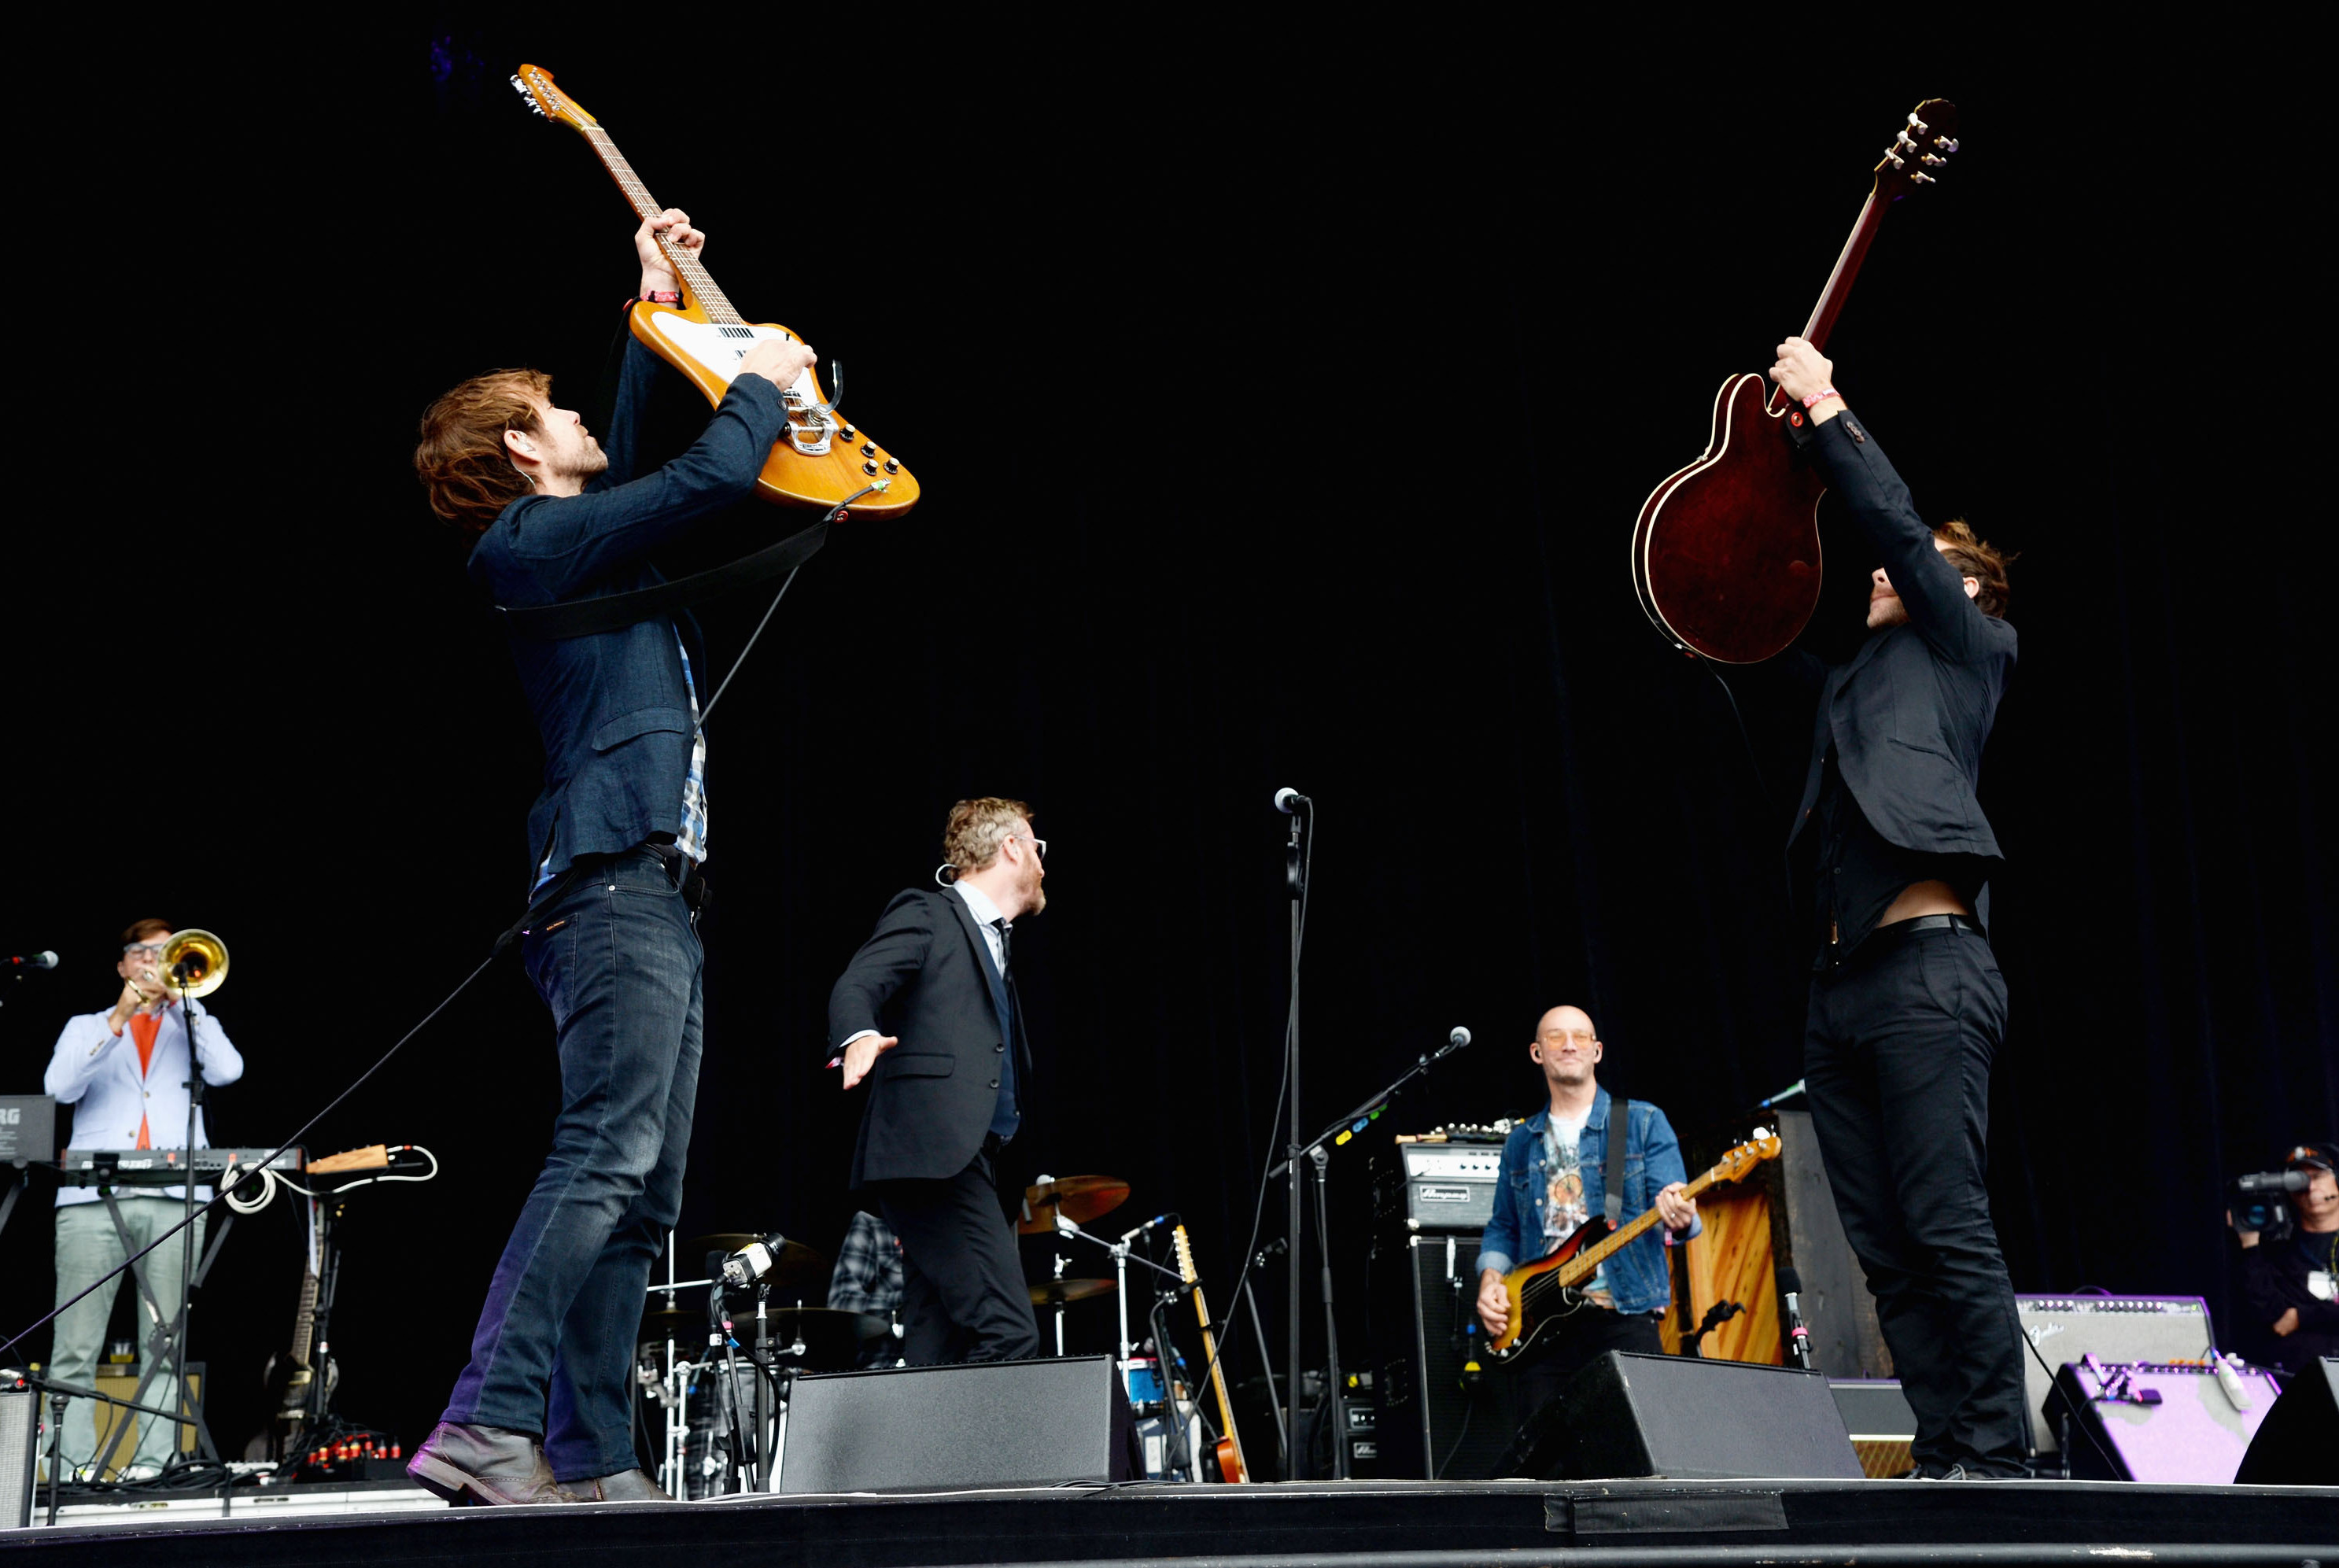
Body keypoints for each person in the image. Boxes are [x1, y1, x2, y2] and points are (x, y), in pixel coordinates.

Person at [404, 208, 816, 1507]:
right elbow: (690, 481)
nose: (576, 415)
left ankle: (594, 1457)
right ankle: (486, 1419)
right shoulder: (521, 544)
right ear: (521, 448)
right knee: (604, 1156)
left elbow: (639, 465)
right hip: (610, 889)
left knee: (644, 1194)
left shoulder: (570, 531)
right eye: (555, 407)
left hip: (652, 896)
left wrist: (651, 304)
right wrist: (754, 381)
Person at [1770, 336, 2027, 1480]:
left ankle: (1998, 1450)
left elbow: (1890, 524)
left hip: (1929, 972)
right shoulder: (1851, 686)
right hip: (1841, 997)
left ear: (1961, 585)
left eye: (1910, 564)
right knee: (1882, 1246)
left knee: (1942, 1218)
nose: (1880, 572)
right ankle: (1944, 1449)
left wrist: (1827, 406)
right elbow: (1751, 652)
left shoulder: (1969, 645)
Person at [828, 798, 1046, 1365]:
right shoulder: (928, 912)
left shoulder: (997, 942)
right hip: (932, 1158)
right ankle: (978, 1458)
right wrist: (857, 1034)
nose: (1043, 865)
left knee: (938, 1345)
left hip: (969, 1161)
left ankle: (924, 1451)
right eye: (1038, 849)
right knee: (1009, 1332)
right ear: (1012, 847)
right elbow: (859, 983)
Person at [42, 919, 245, 1480]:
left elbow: (229, 1070)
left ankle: (154, 1465)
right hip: (90, 1201)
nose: (157, 961)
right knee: (76, 1344)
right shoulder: (86, 1025)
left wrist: (185, 1005)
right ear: (123, 965)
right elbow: (60, 1088)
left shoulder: (193, 1023)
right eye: (146, 952)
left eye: (167, 952)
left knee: (164, 1341)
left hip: (175, 1199)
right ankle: (70, 1466)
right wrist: (120, 1016)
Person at [1475, 1005, 1698, 1449]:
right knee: (1544, 1465)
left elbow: (1679, 1217)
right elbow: (1503, 1226)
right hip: (1539, 1327)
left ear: (1597, 1051)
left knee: (1637, 1455)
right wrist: (1490, 1281)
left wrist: (1681, 1216)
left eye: (1580, 1036)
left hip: (1622, 1316)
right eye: (1556, 1037)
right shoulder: (1521, 1141)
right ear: (1538, 1053)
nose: (1569, 1044)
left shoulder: (1641, 1122)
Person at [2235, 1142, 2339, 1375]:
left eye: (2318, 1176)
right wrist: (2250, 1243)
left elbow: (2290, 1317)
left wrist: (2302, 1315)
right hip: (2302, 1384)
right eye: (2299, 1180)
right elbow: (2273, 1318)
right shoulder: (2279, 1252)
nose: (2310, 1186)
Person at [828, 1209, 908, 1368]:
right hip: (885, 1366)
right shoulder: (873, 1222)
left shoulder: (949, 1221)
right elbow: (841, 1303)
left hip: (948, 1362)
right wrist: (909, 1298)